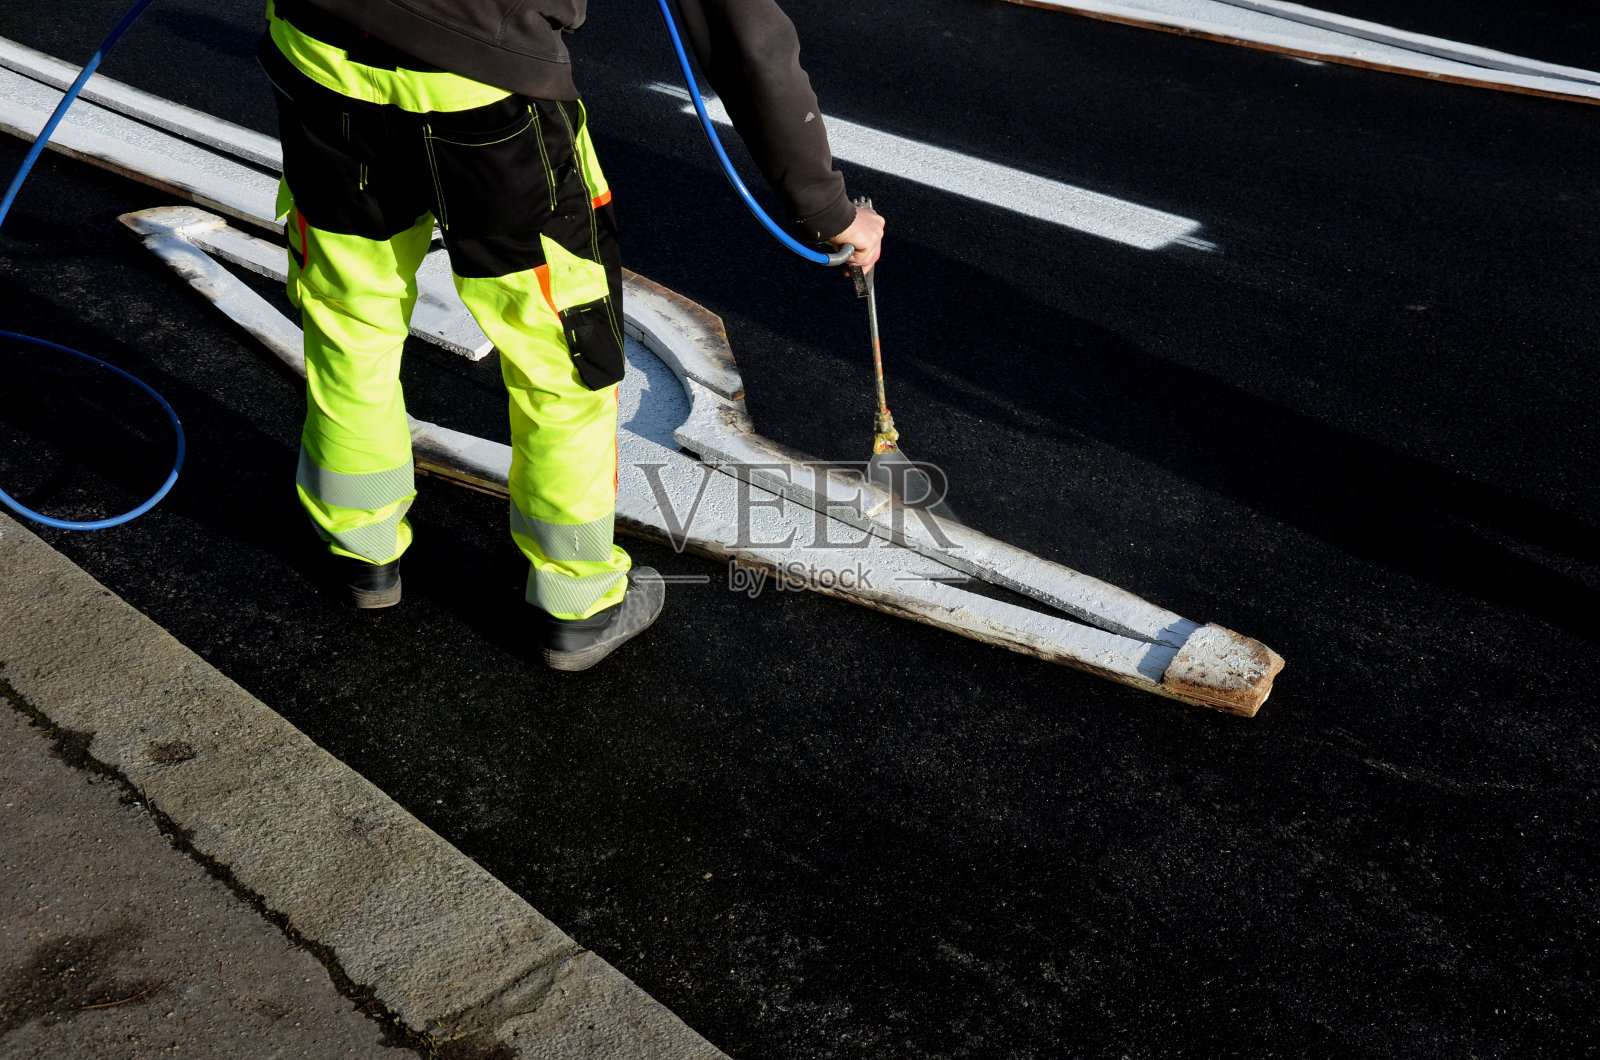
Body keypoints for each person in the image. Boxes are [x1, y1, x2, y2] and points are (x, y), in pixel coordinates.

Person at [258, 0, 883, 670]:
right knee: (561, 356)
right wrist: (826, 208)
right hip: (488, 87)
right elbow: (742, 32)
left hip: (318, 54)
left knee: (350, 316)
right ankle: (575, 602)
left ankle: (361, 551)